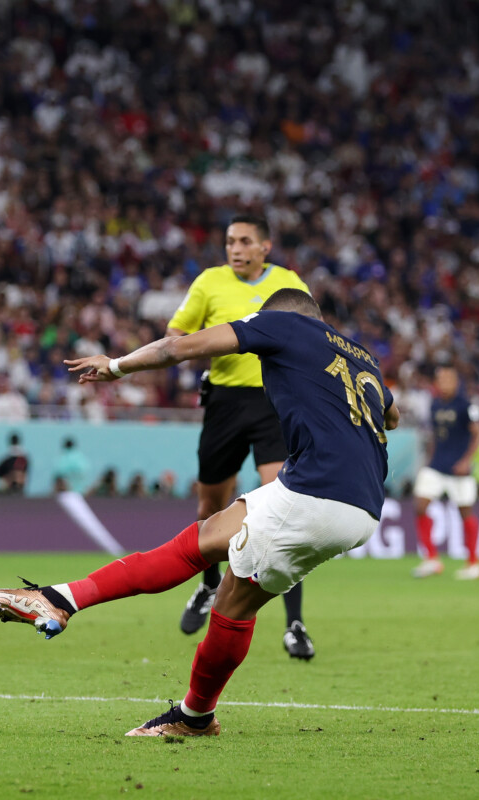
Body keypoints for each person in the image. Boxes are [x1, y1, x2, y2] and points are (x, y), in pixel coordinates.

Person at [0, 289, 398, 737]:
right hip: (361, 501)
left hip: (317, 492)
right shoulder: (359, 354)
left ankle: (194, 717)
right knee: (204, 538)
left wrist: (115, 366)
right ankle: (61, 598)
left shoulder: (282, 324)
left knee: (234, 600)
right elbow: (392, 415)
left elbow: (178, 347)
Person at [166, 214, 316, 659]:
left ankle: (295, 624)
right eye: (230, 240)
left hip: (273, 403)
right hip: (225, 404)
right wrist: (201, 346)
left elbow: (311, 339)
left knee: (285, 505)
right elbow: (176, 334)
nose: (235, 248)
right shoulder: (209, 282)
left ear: (265, 247)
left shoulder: (289, 284)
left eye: (245, 241)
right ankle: (209, 585)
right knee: (210, 503)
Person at [411, 366, 479, 580]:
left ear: (456, 382)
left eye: (447, 379)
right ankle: (432, 559)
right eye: (440, 378)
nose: (443, 382)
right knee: (420, 506)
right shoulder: (435, 405)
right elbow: (436, 436)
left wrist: (466, 461)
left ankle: (473, 563)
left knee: (465, 513)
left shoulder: (467, 406)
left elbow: (478, 433)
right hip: (436, 466)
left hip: (459, 469)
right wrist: (428, 460)